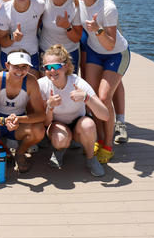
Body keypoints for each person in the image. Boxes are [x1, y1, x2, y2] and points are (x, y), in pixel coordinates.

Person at [76, 0, 138, 144]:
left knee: (111, 84)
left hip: (106, 24)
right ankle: (92, 126)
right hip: (87, 31)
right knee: (90, 83)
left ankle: (119, 123)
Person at [72, 0, 131, 164]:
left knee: (104, 98)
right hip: (95, 53)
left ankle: (108, 145)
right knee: (92, 98)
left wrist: (97, 30)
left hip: (116, 54)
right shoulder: (78, 2)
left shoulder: (108, 7)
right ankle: (96, 138)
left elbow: (110, 43)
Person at [38, 45, 109, 177]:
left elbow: (105, 115)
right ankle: (60, 150)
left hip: (78, 125)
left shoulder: (78, 82)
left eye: (56, 66)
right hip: (57, 125)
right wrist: (49, 106)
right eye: (47, 67)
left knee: (88, 125)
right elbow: (46, 122)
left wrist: (87, 98)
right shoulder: (42, 85)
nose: (52, 70)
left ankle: (90, 159)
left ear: (65, 66)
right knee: (60, 139)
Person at [0, 50, 45, 173]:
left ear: (29, 67)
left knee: (39, 130)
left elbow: (41, 115)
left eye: (24, 67)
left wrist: (19, 119)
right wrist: (3, 121)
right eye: (16, 66)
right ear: (7, 66)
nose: (20, 70)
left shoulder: (31, 82)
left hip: (18, 121)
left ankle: (20, 152)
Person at [0, 0, 45, 76]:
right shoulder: (4, 11)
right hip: (8, 54)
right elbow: (2, 41)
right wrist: (13, 37)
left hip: (32, 53)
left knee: (33, 85)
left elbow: (40, 20)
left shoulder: (40, 4)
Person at [38, 0, 83, 72]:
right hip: (46, 51)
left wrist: (67, 27)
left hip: (69, 52)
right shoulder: (41, 0)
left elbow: (76, 38)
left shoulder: (74, 3)